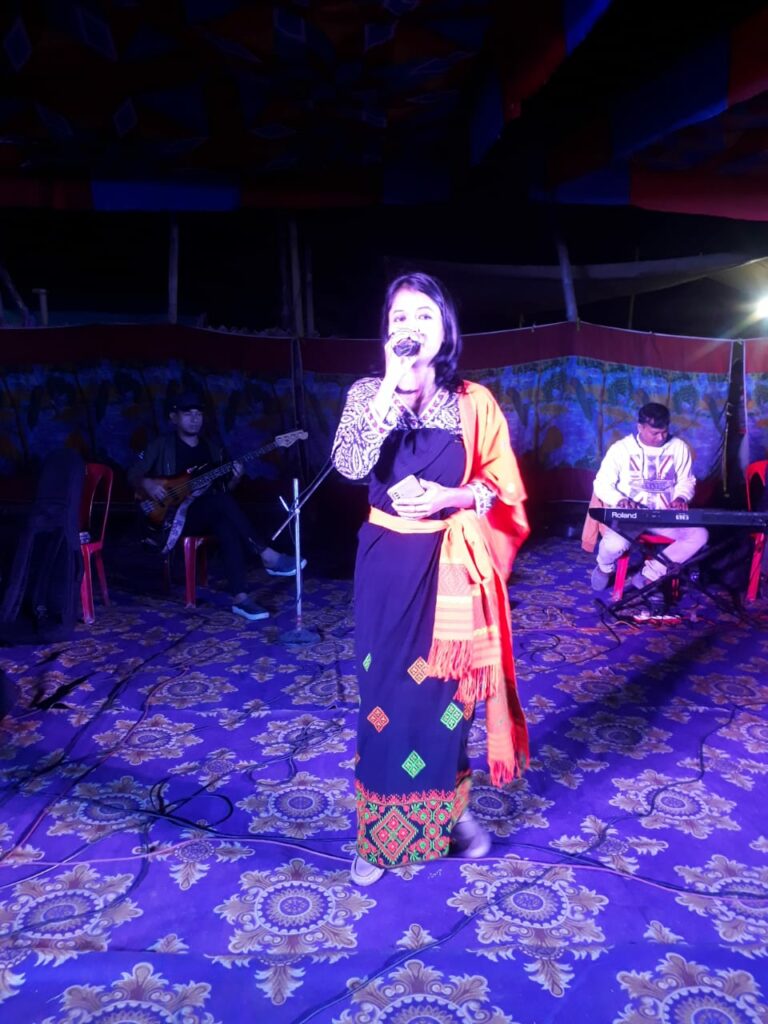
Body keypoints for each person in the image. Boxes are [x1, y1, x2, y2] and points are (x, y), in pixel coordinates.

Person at [332, 272, 530, 886]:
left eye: (424, 316)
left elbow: (499, 489)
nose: (411, 326)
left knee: (449, 699)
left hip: (451, 568)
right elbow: (348, 465)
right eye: (400, 317)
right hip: (387, 565)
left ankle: (454, 816)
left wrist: (451, 496)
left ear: (444, 328)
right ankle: (378, 838)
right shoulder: (368, 393)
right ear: (386, 331)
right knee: (384, 696)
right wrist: (389, 390)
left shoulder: (474, 401)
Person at [128, 390, 303, 621]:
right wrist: (148, 484)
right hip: (170, 518)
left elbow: (223, 492)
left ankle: (241, 599)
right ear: (173, 417)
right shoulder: (160, 445)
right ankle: (266, 554)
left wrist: (235, 479)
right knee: (222, 510)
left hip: (203, 513)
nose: (194, 418)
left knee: (224, 521)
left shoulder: (213, 449)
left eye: (198, 414)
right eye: (187, 413)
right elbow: (133, 473)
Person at [590, 402, 708, 601]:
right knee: (614, 545)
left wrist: (681, 497)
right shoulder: (621, 449)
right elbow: (601, 483)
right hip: (631, 517)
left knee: (699, 535)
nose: (661, 438)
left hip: (665, 516)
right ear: (640, 427)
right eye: (655, 433)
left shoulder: (679, 447)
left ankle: (649, 574)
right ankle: (605, 567)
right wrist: (620, 500)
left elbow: (686, 481)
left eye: (664, 432)